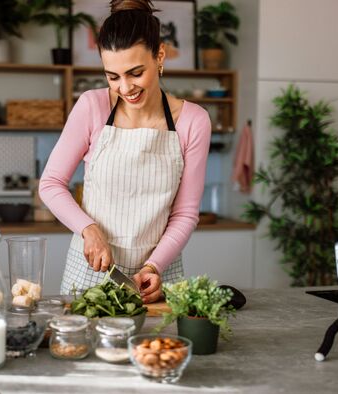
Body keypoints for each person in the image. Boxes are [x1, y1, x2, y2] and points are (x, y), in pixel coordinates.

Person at [38, 0, 211, 303]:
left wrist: (154, 265)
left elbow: (185, 214)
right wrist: (88, 231)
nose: (125, 87)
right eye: (112, 76)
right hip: (90, 272)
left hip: (158, 278)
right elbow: (50, 183)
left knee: (157, 349)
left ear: (160, 56)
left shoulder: (193, 121)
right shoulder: (93, 106)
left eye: (135, 73)